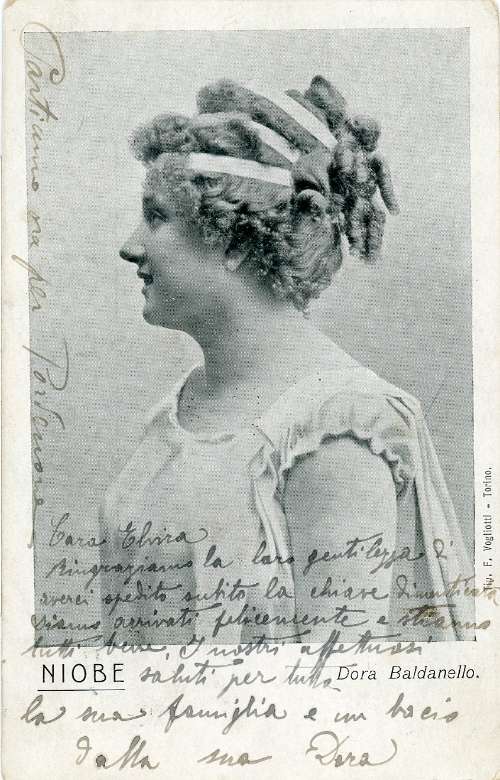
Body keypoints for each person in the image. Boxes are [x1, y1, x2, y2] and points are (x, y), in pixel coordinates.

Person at [99, 77, 474, 647]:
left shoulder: (336, 431)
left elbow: (339, 685)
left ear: (230, 241)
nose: (130, 246)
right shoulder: (174, 410)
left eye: (156, 217)